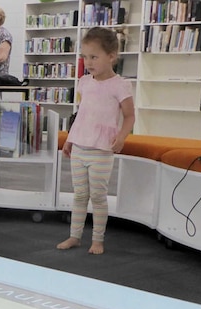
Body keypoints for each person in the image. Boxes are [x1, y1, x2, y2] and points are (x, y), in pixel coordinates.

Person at [57, 27, 134, 255]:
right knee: (79, 195)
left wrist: (121, 137)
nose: (88, 62)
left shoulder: (120, 85)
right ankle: (74, 236)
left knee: (98, 196)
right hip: (80, 145)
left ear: (111, 56)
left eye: (94, 57)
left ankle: (97, 239)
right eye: (85, 57)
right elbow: (82, 113)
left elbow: (129, 115)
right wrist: (70, 139)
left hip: (102, 148)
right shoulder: (84, 82)